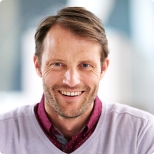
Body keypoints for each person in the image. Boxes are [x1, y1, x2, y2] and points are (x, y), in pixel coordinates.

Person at [0, 7, 154, 154]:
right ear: (38, 65)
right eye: (58, 64)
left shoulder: (142, 133)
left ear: (103, 68)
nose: (71, 81)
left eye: (85, 65)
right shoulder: (4, 133)